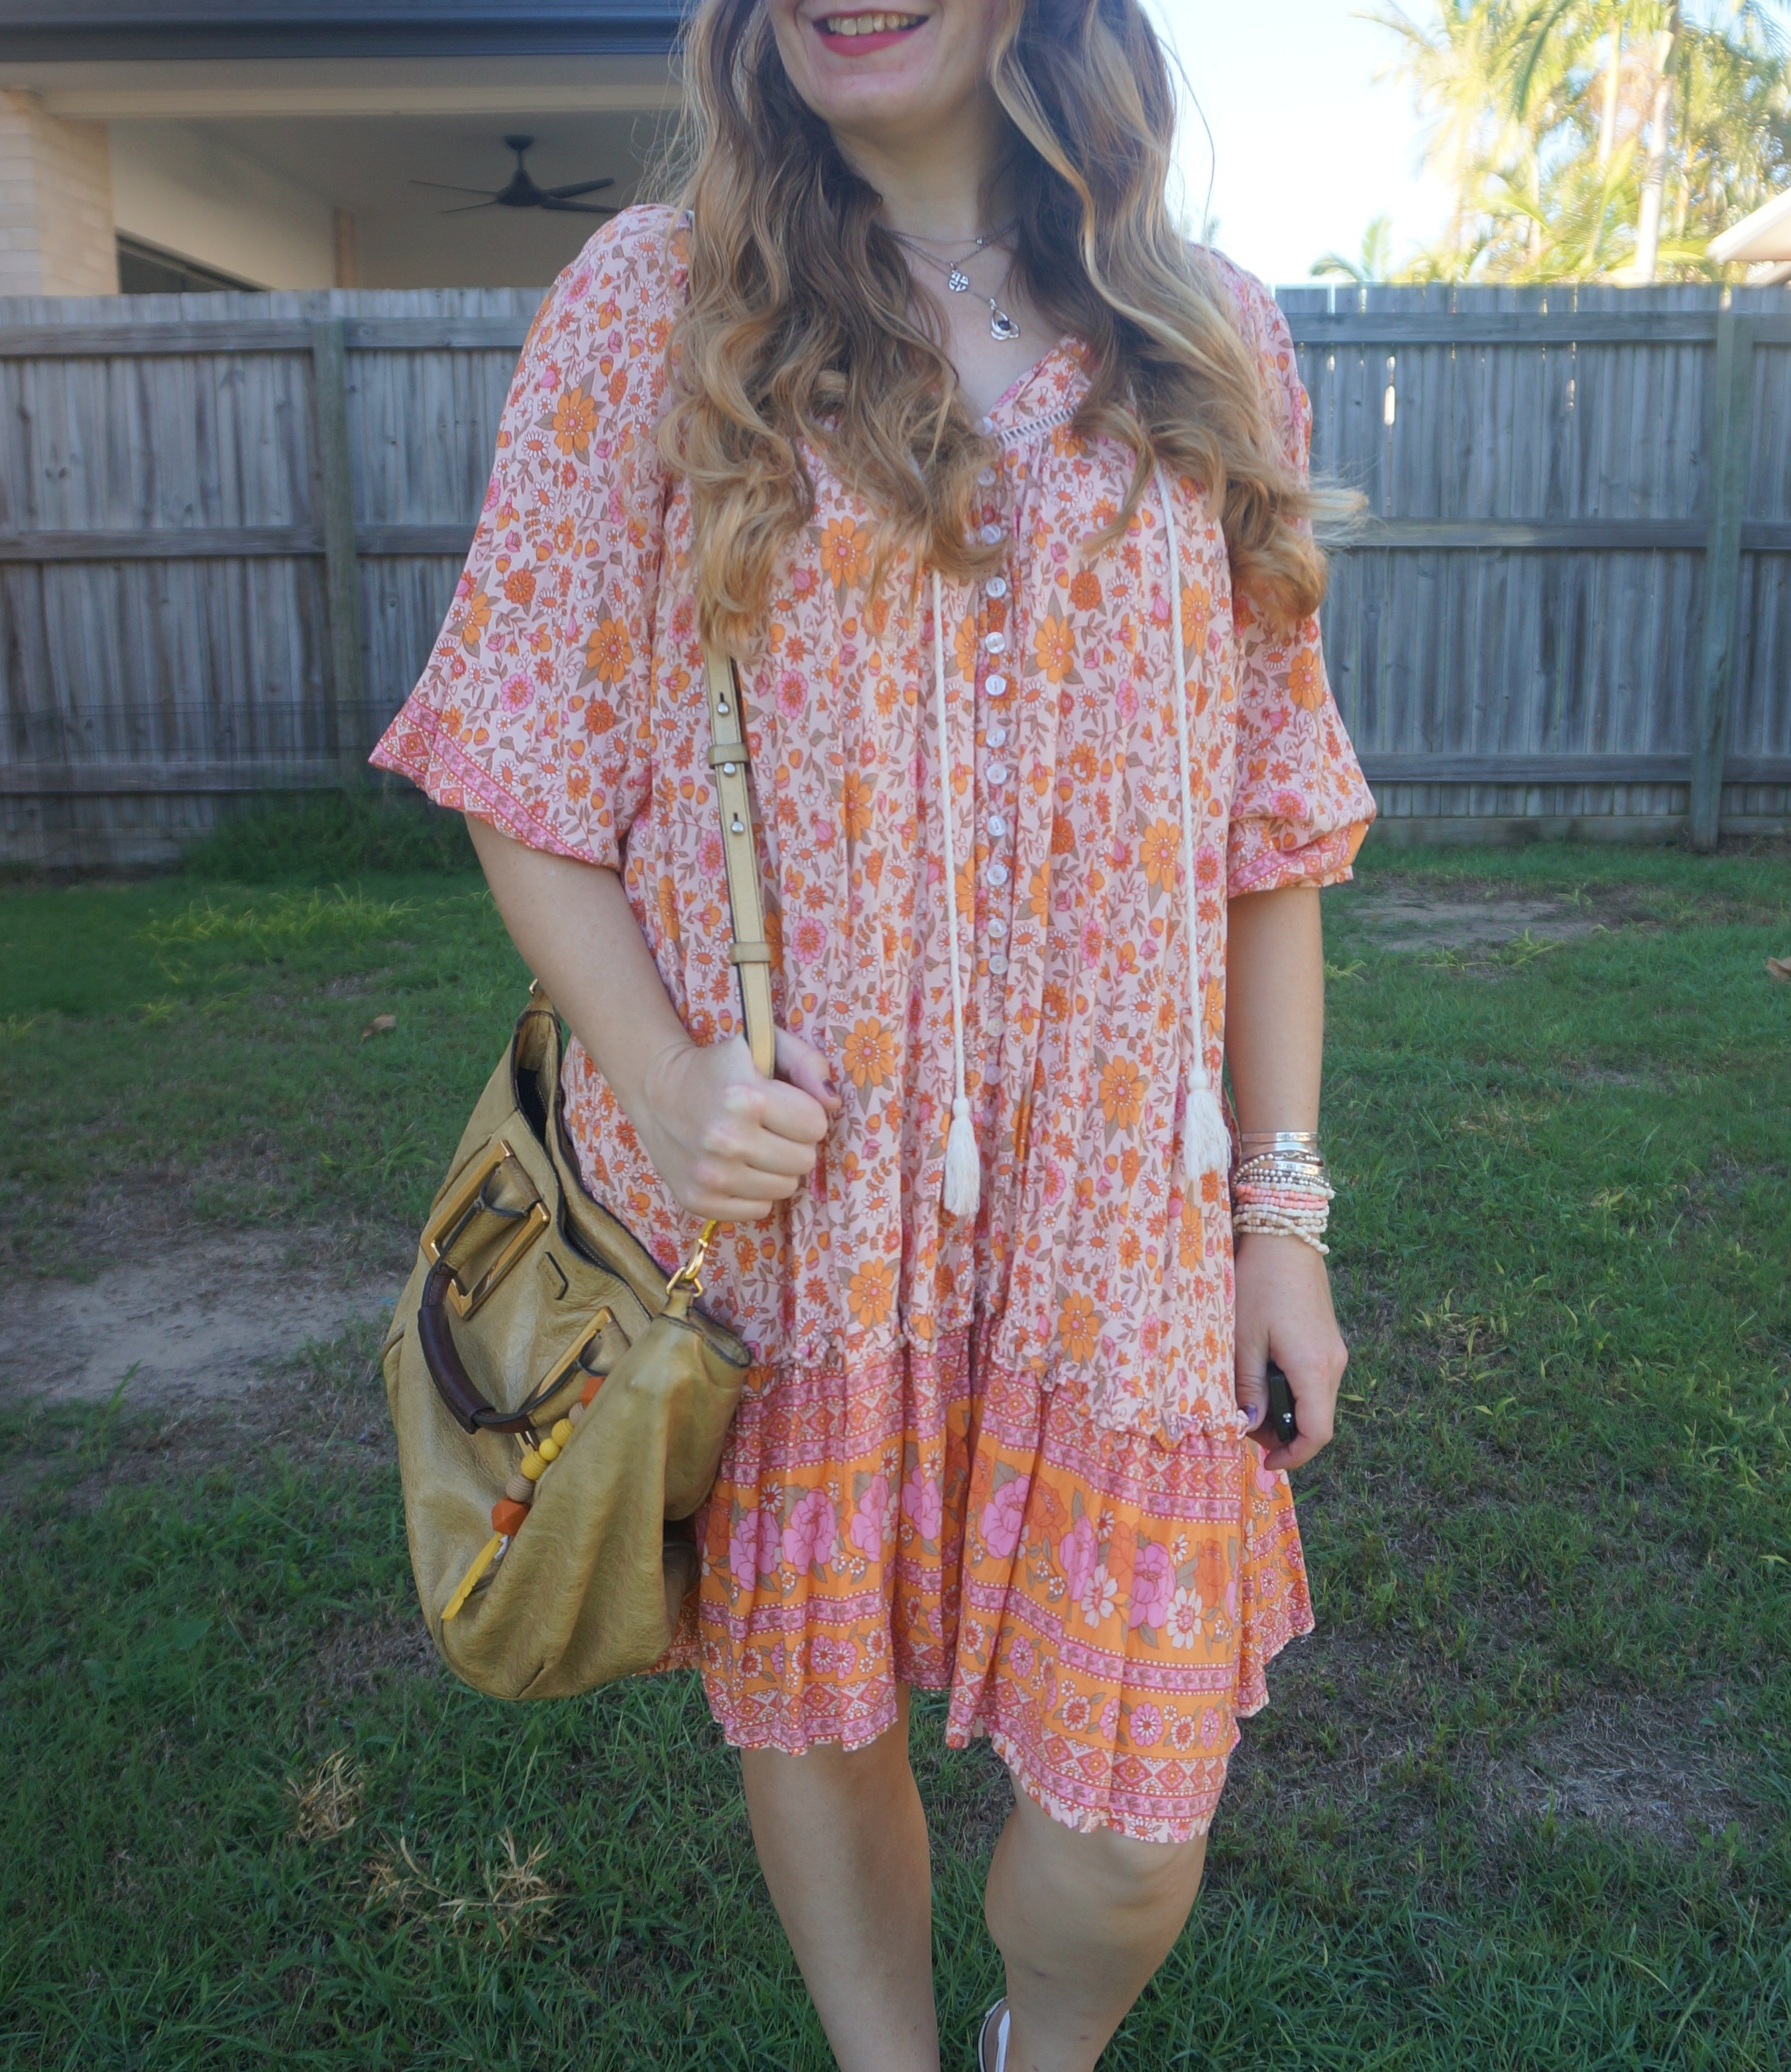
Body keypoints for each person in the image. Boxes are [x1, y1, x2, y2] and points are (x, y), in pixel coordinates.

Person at [373, 1, 1375, 2064]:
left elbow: (1271, 835)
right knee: (817, 1709)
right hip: (803, 1209)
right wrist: (665, 1076)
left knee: (1124, 1830)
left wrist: (1283, 1219)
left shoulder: (1211, 337)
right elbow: (518, 761)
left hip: (1119, 1227)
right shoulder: (658, 308)